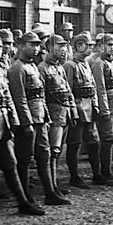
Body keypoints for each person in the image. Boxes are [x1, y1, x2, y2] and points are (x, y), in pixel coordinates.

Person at [0, 34, 45, 217]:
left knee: (10, 164)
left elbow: (8, 98)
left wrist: (14, 121)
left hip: (2, 123)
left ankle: (23, 202)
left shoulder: (0, 71)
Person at [8, 31, 70, 206]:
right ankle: (25, 197)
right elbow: (19, 98)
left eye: (37, 45)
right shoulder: (17, 68)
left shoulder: (33, 66)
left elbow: (41, 96)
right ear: (20, 46)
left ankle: (50, 192)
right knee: (25, 158)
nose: (36, 49)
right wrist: (26, 123)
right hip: (28, 121)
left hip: (41, 118)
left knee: (45, 155)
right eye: (31, 45)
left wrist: (46, 117)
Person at [38, 35, 79, 196]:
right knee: (52, 152)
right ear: (49, 49)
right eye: (59, 47)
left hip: (64, 113)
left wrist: (73, 111)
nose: (63, 51)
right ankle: (50, 188)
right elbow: (41, 96)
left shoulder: (59, 68)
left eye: (64, 47)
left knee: (58, 150)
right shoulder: (42, 68)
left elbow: (68, 92)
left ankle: (54, 185)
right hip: (53, 115)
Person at [63, 32, 103, 188]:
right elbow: (68, 90)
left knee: (94, 143)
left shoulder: (86, 63)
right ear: (79, 46)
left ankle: (97, 174)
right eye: (88, 46)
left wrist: (96, 105)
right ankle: (74, 177)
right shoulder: (69, 66)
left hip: (89, 108)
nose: (91, 49)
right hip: (78, 109)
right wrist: (72, 110)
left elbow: (92, 86)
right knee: (74, 143)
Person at [90, 34, 113, 186]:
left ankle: (107, 171)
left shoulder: (112, 62)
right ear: (100, 46)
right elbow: (100, 88)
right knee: (107, 139)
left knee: (111, 139)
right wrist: (103, 110)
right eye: (109, 45)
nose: (112, 47)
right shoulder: (99, 63)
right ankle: (104, 173)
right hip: (108, 105)